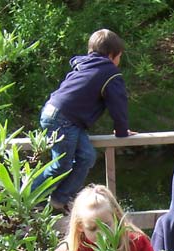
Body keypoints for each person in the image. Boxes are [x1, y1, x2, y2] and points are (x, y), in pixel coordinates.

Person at [33, 29, 136, 212]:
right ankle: (24, 197)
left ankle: (59, 199)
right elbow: (118, 105)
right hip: (63, 118)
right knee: (61, 165)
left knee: (87, 157)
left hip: (58, 115)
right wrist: (122, 132)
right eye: (119, 57)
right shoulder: (110, 73)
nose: (119, 62)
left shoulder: (84, 65)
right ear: (112, 55)